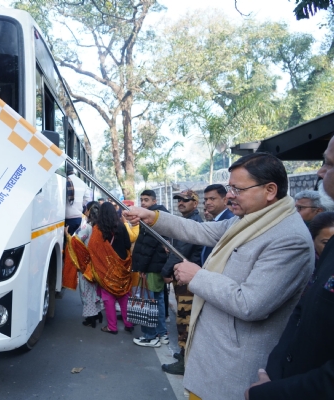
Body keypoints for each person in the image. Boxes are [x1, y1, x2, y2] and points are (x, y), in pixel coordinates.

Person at [124, 152, 313, 400]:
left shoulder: (289, 239)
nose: (230, 195)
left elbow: (251, 303)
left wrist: (198, 276)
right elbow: (198, 230)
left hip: (233, 369)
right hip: (211, 359)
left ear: (269, 190)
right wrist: (153, 217)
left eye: (237, 189)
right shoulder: (248, 220)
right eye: (229, 187)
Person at [245, 142, 334, 399]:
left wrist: (273, 393)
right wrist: (275, 369)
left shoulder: (292, 238)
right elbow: (302, 313)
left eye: (329, 164)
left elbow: (251, 302)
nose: (320, 172)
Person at [158, 189, 203, 374]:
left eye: (186, 200)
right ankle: (184, 354)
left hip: (188, 282)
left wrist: (165, 272)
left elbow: (180, 252)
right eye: (179, 200)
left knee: (185, 320)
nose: (181, 203)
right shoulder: (188, 221)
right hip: (183, 279)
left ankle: (185, 361)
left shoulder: (193, 223)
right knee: (183, 318)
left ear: (195, 203)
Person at [131, 189, 170, 347]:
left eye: (146, 200)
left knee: (149, 302)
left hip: (151, 268)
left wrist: (142, 269)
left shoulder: (152, 218)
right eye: (141, 200)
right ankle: (162, 333)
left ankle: (150, 336)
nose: (143, 203)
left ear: (154, 201)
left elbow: (148, 246)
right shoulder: (161, 216)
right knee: (158, 301)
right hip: (157, 266)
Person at [91, 202, 135, 334]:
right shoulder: (121, 226)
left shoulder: (98, 229)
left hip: (106, 269)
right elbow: (128, 245)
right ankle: (128, 324)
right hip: (122, 267)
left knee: (108, 297)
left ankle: (112, 326)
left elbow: (93, 249)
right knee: (124, 295)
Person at [64, 202, 104, 327]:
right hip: (98, 265)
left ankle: (91, 318)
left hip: (86, 265)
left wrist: (67, 235)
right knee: (95, 291)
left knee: (86, 291)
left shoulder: (87, 227)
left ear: (88, 211)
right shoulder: (103, 227)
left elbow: (76, 242)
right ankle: (98, 314)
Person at [200, 184, 235, 266]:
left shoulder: (229, 221)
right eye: (206, 199)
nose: (207, 203)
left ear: (225, 200)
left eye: (212, 199)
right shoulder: (215, 221)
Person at [65, 164, 91, 235]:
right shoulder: (82, 183)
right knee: (77, 241)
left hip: (67, 219)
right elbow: (87, 197)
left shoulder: (65, 181)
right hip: (79, 218)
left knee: (68, 241)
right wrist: (79, 205)